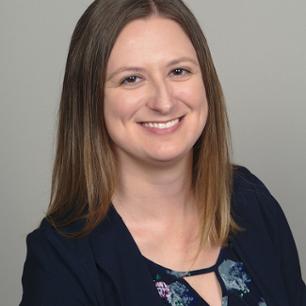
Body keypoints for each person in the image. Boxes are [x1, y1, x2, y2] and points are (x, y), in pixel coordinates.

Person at [19, 0, 305, 305]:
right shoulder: (59, 259)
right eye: (132, 78)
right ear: (89, 100)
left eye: (179, 71)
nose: (164, 101)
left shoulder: (250, 201)